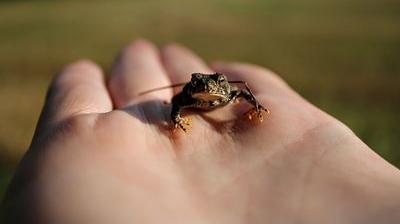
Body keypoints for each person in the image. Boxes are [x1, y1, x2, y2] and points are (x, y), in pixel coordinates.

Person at [2, 40, 400, 224]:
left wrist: (257, 107)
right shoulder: (190, 93)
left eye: (208, 84)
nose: (203, 88)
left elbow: (243, 90)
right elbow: (177, 101)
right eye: (198, 84)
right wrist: (176, 118)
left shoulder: (227, 89)